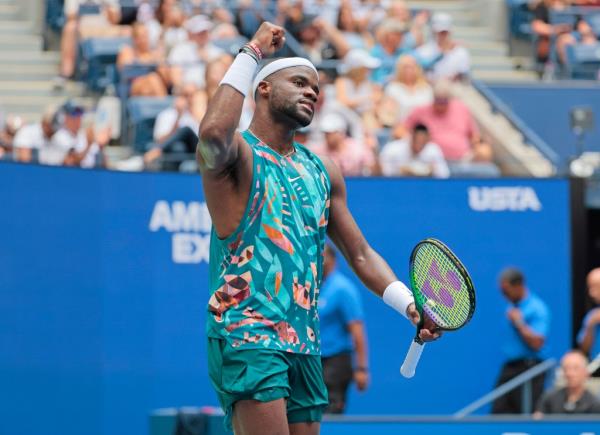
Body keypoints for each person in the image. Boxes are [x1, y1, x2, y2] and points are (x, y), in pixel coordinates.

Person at [197, 22, 440, 435]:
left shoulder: (322, 169)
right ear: (264, 90)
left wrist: (409, 305)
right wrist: (251, 51)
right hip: (247, 332)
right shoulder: (238, 155)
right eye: (299, 82)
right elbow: (213, 133)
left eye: (316, 88)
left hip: (304, 343)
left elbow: (359, 253)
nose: (312, 92)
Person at [492, 267, 551, 414]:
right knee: (498, 412)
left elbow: (538, 343)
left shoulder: (538, 308)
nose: (504, 296)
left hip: (530, 369)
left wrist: (519, 323)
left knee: (527, 414)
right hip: (510, 367)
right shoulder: (513, 307)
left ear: (518, 286)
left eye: (506, 291)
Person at [319, 244, 369, 414]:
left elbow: (357, 330)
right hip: (315, 362)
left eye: (322, 255)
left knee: (329, 412)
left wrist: (361, 369)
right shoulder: (316, 288)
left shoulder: (343, 289)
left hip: (336, 362)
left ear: (332, 259)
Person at [404, 80, 492, 162]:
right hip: (431, 158)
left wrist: (476, 144)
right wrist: (414, 143)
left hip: (463, 157)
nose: (440, 105)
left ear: (449, 100)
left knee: (484, 151)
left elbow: (474, 135)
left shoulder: (461, 108)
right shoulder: (421, 110)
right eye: (438, 101)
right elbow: (401, 130)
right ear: (433, 99)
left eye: (444, 101)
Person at [534, 350, 600, 416]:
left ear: (585, 372)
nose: (570, 373)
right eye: (566, 368)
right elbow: (538, 422)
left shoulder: (594, 404)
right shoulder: (549, 399)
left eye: (575, 368)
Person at [414, 12, 470, 82]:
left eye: (445, 32)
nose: (442, 35)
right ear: (433, 31)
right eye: (440, 32)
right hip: (430, 87)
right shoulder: (422, 51)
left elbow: (464, 75)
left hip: (454, 87)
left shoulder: (461, 52)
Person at [379, 123, 449, 178]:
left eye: (423, 142)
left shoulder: (433, 150)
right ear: (412, 137)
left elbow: (444, 174)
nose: (419, 145)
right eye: (417, 141)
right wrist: (399, 171)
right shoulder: (393, 148)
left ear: (427, 140)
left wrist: (433, 171)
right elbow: (383, 172)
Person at [577, 268, 600, 361]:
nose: (591, 293)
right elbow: (584, 350)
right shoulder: (592, 316)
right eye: (589, 287)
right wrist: (590, 325)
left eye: (595, 287)